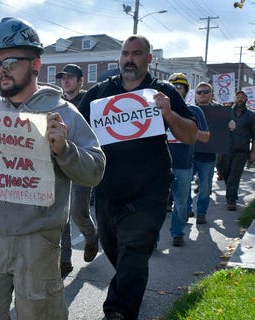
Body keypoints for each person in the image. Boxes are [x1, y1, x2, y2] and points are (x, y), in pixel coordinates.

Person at [0, 17, 105, 319]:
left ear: (36, 65)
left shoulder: (65, 113)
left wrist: (64, 150)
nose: (2, 70)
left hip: (38, 240)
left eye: (11, 61)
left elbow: (95, 171)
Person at [78, 35, 198, 320]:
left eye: (137, 53)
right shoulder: (99, 93)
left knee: (134, 250)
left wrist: (168, 113)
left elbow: (190, 135)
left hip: (149, 190)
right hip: (107, 189)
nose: (129, 59)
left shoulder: (163, 91)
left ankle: (118, 310)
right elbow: (77, 128)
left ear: (149, 58)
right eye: (125, 53)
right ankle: (130, 286)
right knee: (118, 252)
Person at [55, 63, 99, 276]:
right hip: (60, 161)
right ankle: (64, 260)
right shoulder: (56, 103)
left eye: (71, 77)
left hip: (82, 162)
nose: (66, 80)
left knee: (78, 212)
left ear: (81, 80)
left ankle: (91, 236)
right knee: (61, 213)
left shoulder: (89, 102)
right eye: (63, 77)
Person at [167, 73, 209, 246]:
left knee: (182, 202)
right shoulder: (155, 109)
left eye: (180, 87)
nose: (176, 90)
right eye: (172, 87)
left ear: (185, 90)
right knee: (155, 205)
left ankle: (177, 233)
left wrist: (189, 131)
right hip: (159, 165)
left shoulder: (194, 110)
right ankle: (151, 240)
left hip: (183, 165)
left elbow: (206, 137)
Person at [217, 90, 255, 211]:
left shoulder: (251, 116)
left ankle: (231, 199)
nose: (240, 99)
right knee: (223, 172)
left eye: (242, 97)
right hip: (225, 149)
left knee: (234, 175)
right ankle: (230, 191)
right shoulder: (226, 112)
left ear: (246, 100)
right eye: (238, 97)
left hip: (241, 150)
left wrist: (253, 152)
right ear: (234, 99)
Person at [188, 82, 221, 224]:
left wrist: (231, 125)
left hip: (208, 156)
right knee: (184, 185)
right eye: (199, 92)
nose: (202, 94)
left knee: (205, 187)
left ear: (211, 94)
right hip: (189, 153)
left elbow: (224, 132)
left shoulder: (220, 111)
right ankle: (187, 209)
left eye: (206, 92)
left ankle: (201, 213)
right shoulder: (189, 110)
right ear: (195, 95)